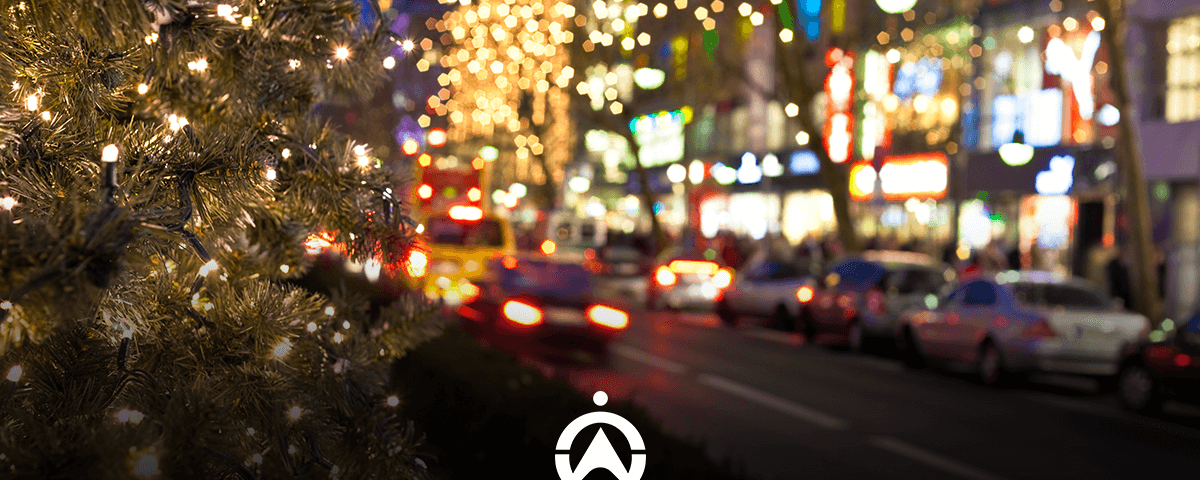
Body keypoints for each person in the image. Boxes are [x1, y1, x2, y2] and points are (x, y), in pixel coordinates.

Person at [1106, 244, 1132, 309]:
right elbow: (1112, 281)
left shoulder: (1125, 264)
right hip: (1117, 296)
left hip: (1125, 297)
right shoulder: (1114, 264)